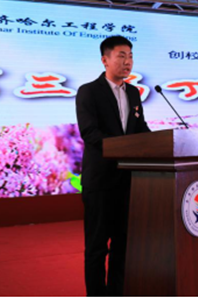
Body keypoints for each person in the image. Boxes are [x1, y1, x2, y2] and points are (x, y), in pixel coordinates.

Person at [76, 35, 151, 296]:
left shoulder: (133, 92)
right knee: (97, 247)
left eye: (130, 56)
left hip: (128, 181)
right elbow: (90, 133)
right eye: (121, 56)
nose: (128, 61)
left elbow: (140, 129)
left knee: (123, 244)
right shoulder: (88, 91)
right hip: (100, 181)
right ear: (105, 60)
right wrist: (126, 148)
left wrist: (162, 143)